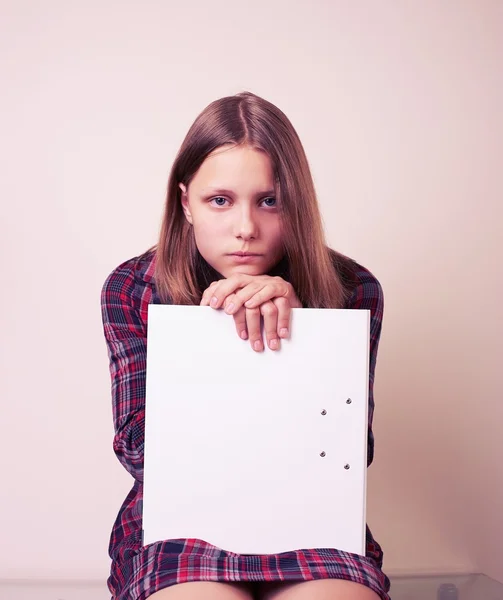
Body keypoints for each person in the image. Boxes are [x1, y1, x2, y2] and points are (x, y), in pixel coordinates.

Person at [101, 91, 391, 600]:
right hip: (182, 527)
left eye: (269, 200)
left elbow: (351, 453)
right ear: (185, 201)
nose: (245, 229)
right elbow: (140, 450)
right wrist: (207, 333)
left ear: (296, 202)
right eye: (220, 200)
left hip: (311, 520)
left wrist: (302, 328)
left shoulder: (353, 288)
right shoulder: (133, 287)